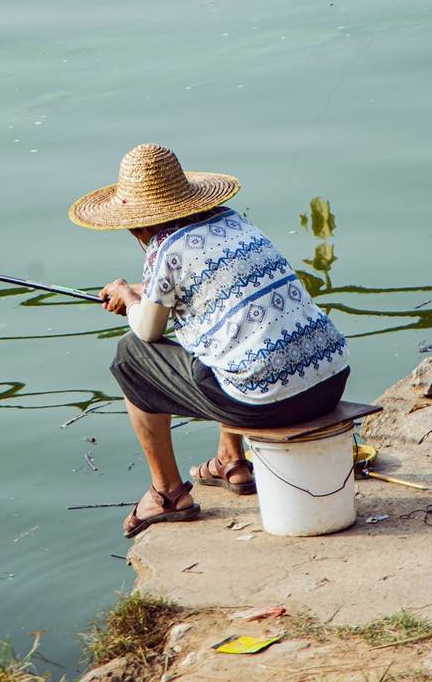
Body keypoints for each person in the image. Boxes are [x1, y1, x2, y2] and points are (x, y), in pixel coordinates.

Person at [69, 143, 351, 537]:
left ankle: (166, 494)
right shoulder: (233, 222)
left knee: (130, 357)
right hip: (330, 381)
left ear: (139, 224)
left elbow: (148, 331)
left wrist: (130, 297)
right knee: (227, 335)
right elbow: (214, 295)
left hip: (270, 404)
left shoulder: (163, 247)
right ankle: (230, 461)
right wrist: (142, 293)